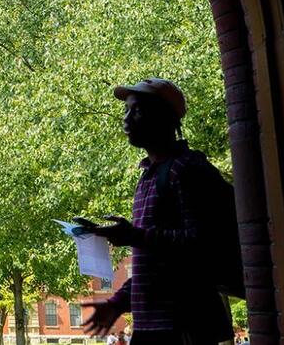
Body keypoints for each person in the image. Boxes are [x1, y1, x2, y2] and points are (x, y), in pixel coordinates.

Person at [80, 78, 237, 345]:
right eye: (126, 111)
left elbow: (201, 242)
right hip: (150, 328)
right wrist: (117, 303)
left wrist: (135, 236)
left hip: (184, 326)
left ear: (166, 119)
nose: (127, 119)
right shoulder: (148, 177)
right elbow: (156, 264)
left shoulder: (187, 170)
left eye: (138, 110)